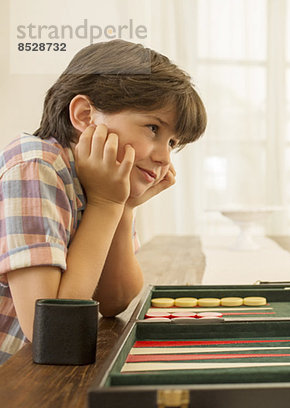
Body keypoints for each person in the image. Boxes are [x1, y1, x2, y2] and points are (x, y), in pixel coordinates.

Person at [0, 40, 207, 364]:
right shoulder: (35, 165)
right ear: (85, 116)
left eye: (172, 142)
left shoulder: (100, 179)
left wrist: (122, 207)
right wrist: (107, 204)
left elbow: (114, 301)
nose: (164, 156)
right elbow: (53, 332)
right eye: (153, 128)